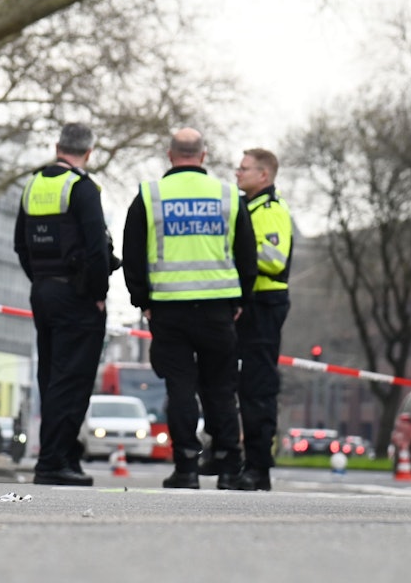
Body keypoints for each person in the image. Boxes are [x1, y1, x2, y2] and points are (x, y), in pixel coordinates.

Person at [122, 127, 258, 489]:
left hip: (169, 310)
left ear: (170, 155)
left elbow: (132, 253)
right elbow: (248, 254)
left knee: (180, 389)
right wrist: (240, 300)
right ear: (204, 155)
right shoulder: (228, 196)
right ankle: (230, 467)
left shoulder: (150, 196)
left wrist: (143, 302)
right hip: (218, 310)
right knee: (220, 389)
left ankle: (186, 467)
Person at [14, 123, 113, 486]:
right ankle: (55, 462)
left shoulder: (34, 184)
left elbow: (20, 245)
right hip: (78, 297)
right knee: (73, 381)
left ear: (58, 147)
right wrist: (98, 294)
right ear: (88, 153)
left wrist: (40, 280)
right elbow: (96, 250)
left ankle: (61, 456)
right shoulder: (82, 188)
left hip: (43, 292)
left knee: (52, 377)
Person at [229, 148, 293, 491]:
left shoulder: (269, 211)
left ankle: (257, 467)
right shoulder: (249, 207)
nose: (237, 174)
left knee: (257, 387)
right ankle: (241, 460)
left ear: (263, 175)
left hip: (264, 303)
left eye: (244, 169)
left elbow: (273, 258)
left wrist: (235, 252)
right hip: (250, 302)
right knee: (239, 384)